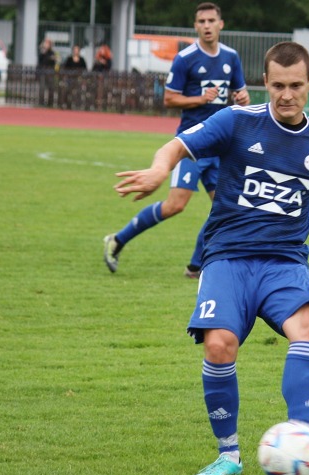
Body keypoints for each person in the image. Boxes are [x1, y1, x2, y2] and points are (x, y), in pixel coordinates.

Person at [113, 41, 309, 475]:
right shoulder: (236, 121)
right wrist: (158, 170)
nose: (286, 95)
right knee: (219, 345)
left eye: (295, 85)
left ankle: (305, 440)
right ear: (264, 82)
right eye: (278, 86)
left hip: (284, 262)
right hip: (227, 258)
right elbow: (177, 146)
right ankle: (228, 456)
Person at [103, 2, 250, 278]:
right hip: (191, 145)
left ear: (221, 24)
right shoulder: (185, 58)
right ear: (195, 26)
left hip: (220, 147)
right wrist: (200, 99)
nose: (206, 26)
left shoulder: (231, 57)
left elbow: (242, 96)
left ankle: (195, 266)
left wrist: (242, 98)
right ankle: (117, 240)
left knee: (227, 208)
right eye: (201, 21)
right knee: (175, 205)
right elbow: (170, 98)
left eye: (211, 20)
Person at [37, 37, 57, 107]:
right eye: (46, 43)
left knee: (51, 87)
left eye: (48, 43)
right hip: (42, 71)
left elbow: (54, 61)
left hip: (50, 71)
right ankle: (41, 102)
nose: (47, 45)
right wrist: (43, 49)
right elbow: (40, 60)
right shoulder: (42, 52)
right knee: (42, 88)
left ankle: (50, 103)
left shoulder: (52, 53)